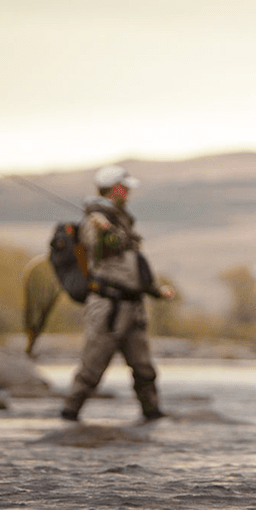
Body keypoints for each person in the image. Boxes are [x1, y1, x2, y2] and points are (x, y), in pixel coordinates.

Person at [60, 164, 176, 423]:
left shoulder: (122, 219)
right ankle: (69, 415)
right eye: (125, 188)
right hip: (107, 308)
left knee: (144, 369)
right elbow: (98, 251)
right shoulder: (94, 220)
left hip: (133, 308)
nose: (128, 193)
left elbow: (131, 266)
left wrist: (155, 290)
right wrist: (101, 232)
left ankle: (153, 415)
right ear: (115, 189)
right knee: (91, 369)